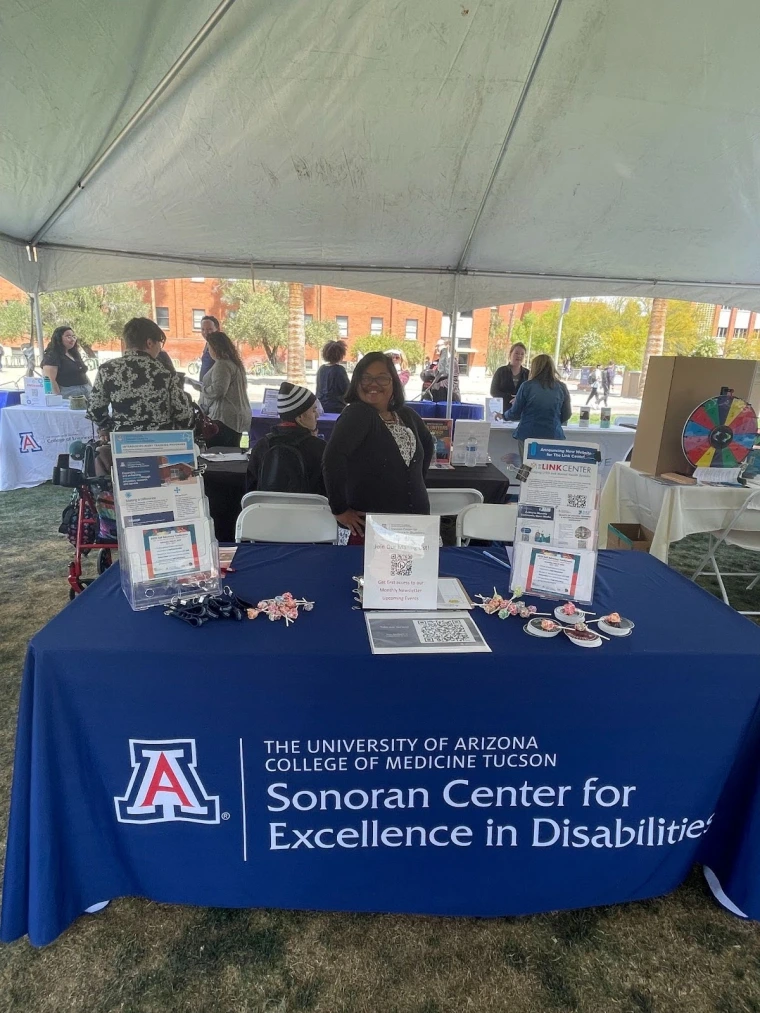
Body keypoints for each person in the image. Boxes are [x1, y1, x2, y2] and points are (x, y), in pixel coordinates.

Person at [322, 351, 435, 539]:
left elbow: (427, 444)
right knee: (368, 569)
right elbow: (332, 460)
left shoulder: (406, 414)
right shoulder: (357, 414)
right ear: (357, 382)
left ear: (393, 383)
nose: (373, 384)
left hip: (413, 522)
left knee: (413, 569)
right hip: (371, 529)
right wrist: (339, 509)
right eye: (366, 378)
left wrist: (414, 481)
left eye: (382, 378)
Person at [88, 317, 194, 435]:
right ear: (149, 343)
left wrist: (109, 427)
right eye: (160, 343)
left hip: (122, 442)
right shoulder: (165, 371)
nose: (160, 348)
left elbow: (94, 409)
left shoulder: (107, 369)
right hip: (161, 441)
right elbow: (183, 413)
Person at [246, 382, 326, 494]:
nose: (317, 415)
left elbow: (251, 488)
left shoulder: (262, 445)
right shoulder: (320, 448)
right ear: (300, 417)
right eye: (313, 410)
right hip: (309, 510)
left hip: (266, 510)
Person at [503, 353, 572, 460]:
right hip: (553, 435)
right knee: (550, 471)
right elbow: (567, 414)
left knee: (527, 470)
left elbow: (515, 413)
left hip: (528, 435)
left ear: (535, 368)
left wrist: (504, 415)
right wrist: (554, 421)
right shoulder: (561, 387)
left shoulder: (527, 386)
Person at [198, 331, 250, 448]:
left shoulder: (222, 365)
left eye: (209, 347)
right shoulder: (235, 364)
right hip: (237, 417)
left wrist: (201, 388)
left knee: (218, 454)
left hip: (224, 419)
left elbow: (218, 390)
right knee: (232, 452)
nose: (208, 350)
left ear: (215, 348)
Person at [41, 326, 92, 397]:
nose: (72, 339)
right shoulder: (52, 355)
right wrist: (58, 398)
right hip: (69, 393)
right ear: (59, 338)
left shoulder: (74, 354)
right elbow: (50, 379)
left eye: (74, 337)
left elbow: (83, 373)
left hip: (86, 390)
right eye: (68, 337)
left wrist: (91, 388)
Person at [315, 340, 350, 413]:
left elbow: (318, 389)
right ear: (341, 354)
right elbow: (347, 389)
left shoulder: (321, 369)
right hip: (337, 408)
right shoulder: (340, 370)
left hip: (322, 407)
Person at [490, 342, 529, 406]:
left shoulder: (528, 373)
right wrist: (510, 397)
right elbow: (493, 391)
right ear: (510, 354)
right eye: (516, 353)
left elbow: (531, 393)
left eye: (522, 354)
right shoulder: (501, 371)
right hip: (502, 409)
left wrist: (519, 399)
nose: (519, 356)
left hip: (521, 410)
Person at [198, 315, 220, 380]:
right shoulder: (208, 343)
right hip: (204, 386)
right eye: (203, 329)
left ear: (217, 329)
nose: (205, 332)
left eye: (209, 329)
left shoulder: (219, 346)